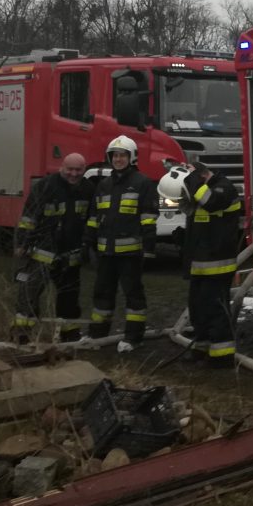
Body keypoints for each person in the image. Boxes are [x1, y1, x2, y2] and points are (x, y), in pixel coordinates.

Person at [158, 162, 241, 368]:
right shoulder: (199, 190)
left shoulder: (224, 188)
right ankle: (202, 347)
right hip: (199, 264)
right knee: (197, 309)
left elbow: (211, 203)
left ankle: (222, 357)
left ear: (201, 177)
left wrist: (193, 180)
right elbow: (200, 220)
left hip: (218, 265)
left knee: (216, 310)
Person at [10, 153, 92, 344]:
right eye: (69, 169)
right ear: (61, 167)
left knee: (69, 300)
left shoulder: (88, 189)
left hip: (70, 256)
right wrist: (22, 243)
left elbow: (91, 220)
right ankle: (21, 334)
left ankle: (69, 336)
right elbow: (29, 217)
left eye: (78, 170)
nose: (73, 174)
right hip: (42, 254)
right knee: (29, 295)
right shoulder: (45, 186)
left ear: (84, 169)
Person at [85, 135, 157, 347]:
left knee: (133, 296)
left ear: (132, 157)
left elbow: (148, 218)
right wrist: (87, 243)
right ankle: (98, 336)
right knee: (102, 295)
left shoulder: (142, 183)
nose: (118, 160)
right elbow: (93, 217)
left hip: (130, 254)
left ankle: (133, 338)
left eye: (122, 156)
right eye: (115, 156)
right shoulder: (104, 184)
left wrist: (149, 249)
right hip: (105, 253)